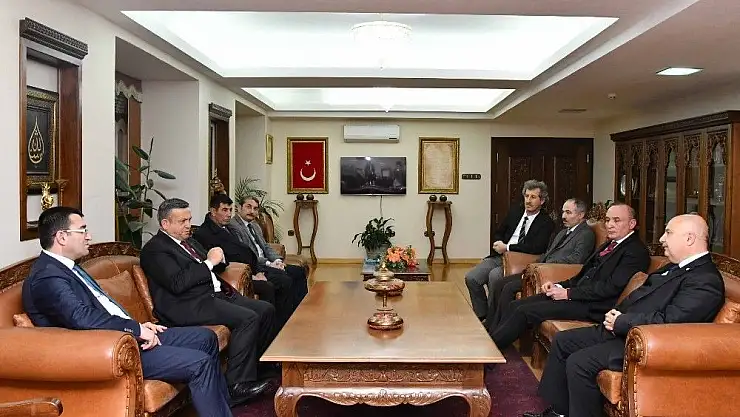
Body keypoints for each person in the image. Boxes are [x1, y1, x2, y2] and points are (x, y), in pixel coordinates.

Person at [22, 206, 233, 416]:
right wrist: (135, 329)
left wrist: (139, 326)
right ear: (61, 237)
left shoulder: (67, 268)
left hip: (124, 335)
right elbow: (82, 317)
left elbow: (101, 308)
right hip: (110, 350)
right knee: (200, 363)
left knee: (205, 338)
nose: (89, 236)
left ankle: (222, 409)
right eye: (83, 230)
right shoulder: (47, 277)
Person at [525, 214, 725, 417]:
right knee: (563, 340)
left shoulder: (705, 280)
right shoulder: (675, 266)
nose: (662, 239)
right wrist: (616, 313)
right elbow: (642, 297)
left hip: (645, 344)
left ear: (689, 238)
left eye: (668, 232)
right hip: (623, 329)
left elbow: (670, 323)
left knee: (579, 362)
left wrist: (621, 321)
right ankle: (558, 412)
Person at [139, 198, 275, 406]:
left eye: (189, 219)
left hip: (214, 295)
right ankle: (236, 386)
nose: (188, 225)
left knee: (266, 309)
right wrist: (209, 261)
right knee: (248, 318)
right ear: (165, 224)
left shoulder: (189, 242)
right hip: (187, 304)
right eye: (182, 221)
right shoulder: (155, 249)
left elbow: (214, 265)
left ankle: (256, 368)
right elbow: (178, 283)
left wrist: (219, 258)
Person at [488, 203, 650, 349]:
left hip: (595, 306)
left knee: (524, 311)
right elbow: (583, 275)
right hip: (579, 296)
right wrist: (559, 286)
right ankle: (490, 341)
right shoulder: (609, 244)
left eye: (616, 220)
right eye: (607, 220)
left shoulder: (635, 251)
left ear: (632, 224)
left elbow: (610, 289)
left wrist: (568, 293)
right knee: (516, 305)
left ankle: (490, 353)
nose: (610, 225)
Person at [484, 198, 595, 331]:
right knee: (499, 283)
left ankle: (500, 329)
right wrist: (533, 265)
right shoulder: (563, 232)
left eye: (568, 212)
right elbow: (548, 253)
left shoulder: (586, 234)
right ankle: (491, 325)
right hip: (540, 269)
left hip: (553, 274)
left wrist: (546, 266)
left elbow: (576, 260)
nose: (563, 216)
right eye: (563, 212)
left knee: (508, 288)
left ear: (581, 215)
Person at [194, 193, 292, 328]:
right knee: (271, 285)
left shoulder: (229, 227)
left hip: (252, 268)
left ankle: (284, 323)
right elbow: (222, 261)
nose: (228, 214)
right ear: (213, 211)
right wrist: (251, 274)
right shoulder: (204, 233)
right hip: (235, 275)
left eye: (230, 210)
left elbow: (246, 251)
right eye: (224, 210)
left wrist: (257, 271)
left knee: (284, 276)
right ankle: (274, 328)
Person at [466, 180, 555, 321]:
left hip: (520, 261)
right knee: (472, 278)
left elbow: (536, 247)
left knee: (494, 277)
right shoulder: (515, 212)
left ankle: (493, 320)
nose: (528, 200)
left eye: (533, 197)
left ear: (542, 201)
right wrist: (498, 243)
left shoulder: (546, 222)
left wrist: (508, 247)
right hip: (500, 256)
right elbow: (499, 232)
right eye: (526, 196)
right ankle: (483, 315)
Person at [229, 195, 308, 311]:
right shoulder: (234, 226)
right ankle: (284, 316)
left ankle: (300, 310)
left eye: (255, 208)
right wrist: (270, 264)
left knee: (299, 271)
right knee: (285, 279)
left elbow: (266, 246)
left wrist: (277, 260)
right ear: (239, 208)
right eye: (248, 207)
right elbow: (248, 255)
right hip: (257, 266)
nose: (252, 211)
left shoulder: (255, 225)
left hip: (268, 263)